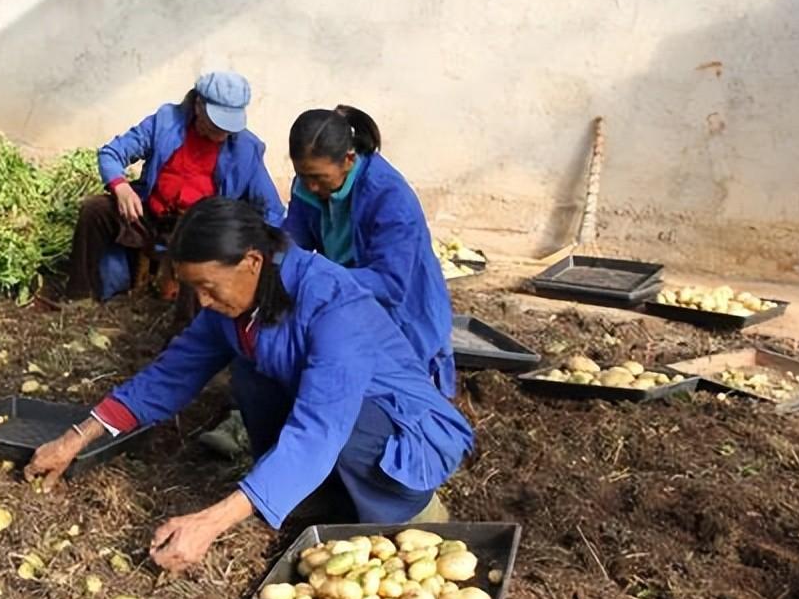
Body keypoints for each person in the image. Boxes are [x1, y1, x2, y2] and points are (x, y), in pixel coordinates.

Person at [28, 197, 474, 573]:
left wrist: (211, 521)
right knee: (251, 368)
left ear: (252, 262)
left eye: (207, 287)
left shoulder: (335, 305)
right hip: (332, 431)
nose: (202, 301)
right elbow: (169, 376)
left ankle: (415, 514)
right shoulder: (238, 308)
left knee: (346, 416)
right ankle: (314, 496)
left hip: (405, 435)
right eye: (193, 289)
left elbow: (318, 431)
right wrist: (74, 440)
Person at [64, 71, 284, 302]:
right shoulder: (166, 121)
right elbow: (111, 153)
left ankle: (184, 327)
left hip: (198, 229)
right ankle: (79, 296)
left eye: (228, 127)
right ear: (199, 106)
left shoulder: (246, 149)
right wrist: (121, 187)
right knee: (95, 210)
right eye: (217, 124)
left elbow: (272, 209)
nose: (222, 133)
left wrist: (268, 255)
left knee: (204, 249)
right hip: (150, 214)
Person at [285, 105, 456, 397]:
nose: (311, 185)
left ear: (349, 160)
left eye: (319, 177)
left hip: (402, 318)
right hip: (346, 297)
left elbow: (390, 285)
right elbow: (292, 243)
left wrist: (317, 275)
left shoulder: (390, 197)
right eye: (303, 175)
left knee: (387, 399)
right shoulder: (307, 186)